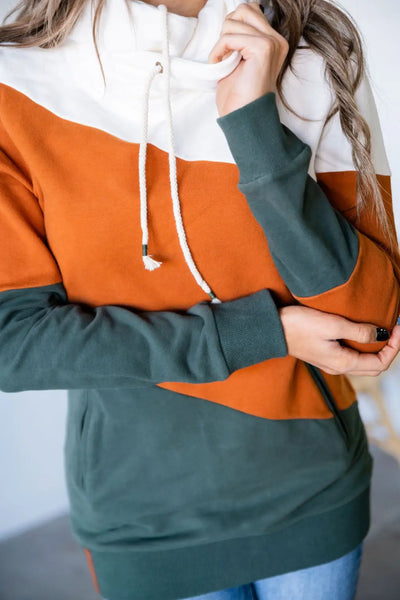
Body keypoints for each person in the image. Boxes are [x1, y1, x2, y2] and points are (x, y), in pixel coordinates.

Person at [0, 0, 399, 599]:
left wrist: (255, 129)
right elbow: (13, 342)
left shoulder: (314, 52)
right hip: (143, 514)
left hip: (312, 489)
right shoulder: (17, 84)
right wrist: (264, 333)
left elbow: (367, 322)